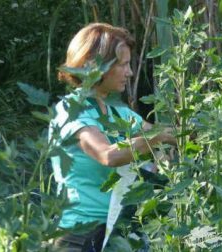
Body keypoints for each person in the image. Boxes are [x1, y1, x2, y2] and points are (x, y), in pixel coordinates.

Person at [48, 23, 176, 251]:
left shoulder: (117, 111)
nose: (130, 72)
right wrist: (155, 140)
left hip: (120, 231)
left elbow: (165, 133)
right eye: (123, 65)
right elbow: (108, 155)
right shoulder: (71, 110)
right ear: (97, 66)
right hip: (81, 238)